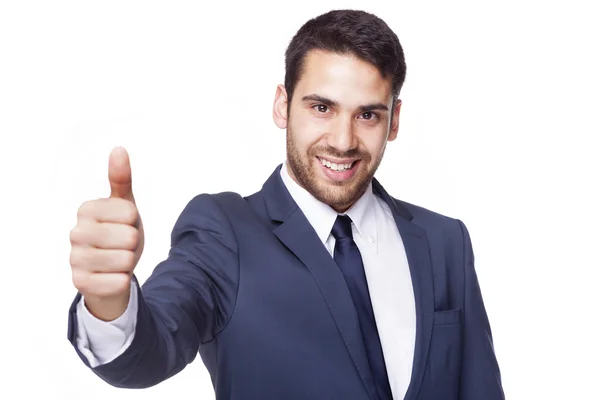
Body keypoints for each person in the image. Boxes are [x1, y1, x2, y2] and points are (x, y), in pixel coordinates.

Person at [67, 9, 504, 400]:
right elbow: (151, 351)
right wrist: (111, 305)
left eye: (367, 114)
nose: (343, 140)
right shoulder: (224, 232)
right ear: (282, 105)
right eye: (321, 108)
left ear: (394, 121)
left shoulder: (445, 242)